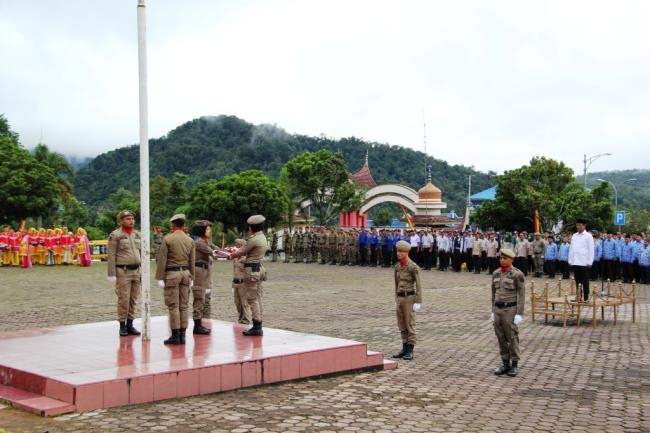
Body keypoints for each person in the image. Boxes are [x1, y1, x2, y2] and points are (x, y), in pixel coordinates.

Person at [155, 214, 196, 345]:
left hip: (172, 274)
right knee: (184, 306)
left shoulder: (168, 239)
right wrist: (192, 277)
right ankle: (183, 336)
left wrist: (159, 278)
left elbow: (162, 260)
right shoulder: (190, 240)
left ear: (173, 225)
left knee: (173, 306)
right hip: (185, 274)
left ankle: (175, 335)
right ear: (184, 225)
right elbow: (192, 261)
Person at [230, 214, 268, 336]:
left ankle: (257, 326)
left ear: (251, 227)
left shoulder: (254, 239)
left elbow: (242, 251)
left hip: (252, 271)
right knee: (256, 298)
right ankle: (258, 324)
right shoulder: (262, 237)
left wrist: (230, 254)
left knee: (252, 299)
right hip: (258, 269)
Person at [107, 210, 142, 337]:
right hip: (123, 271)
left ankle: (130, 324)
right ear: (121, 221)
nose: (131, 221)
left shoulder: (137, 234)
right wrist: (111, 274)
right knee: (124, 299)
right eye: (127, 218)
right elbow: (111, 255)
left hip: (136, 270)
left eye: (132, 218)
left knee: (133, 299)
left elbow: (142, 253)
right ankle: (122, 325)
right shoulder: (115, 235)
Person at [491, 248, 525, 377]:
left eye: (504, 258)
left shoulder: (517, 274)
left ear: (511, 260)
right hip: (498, 309)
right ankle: (505, 363)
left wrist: (519, 314)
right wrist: (492, 310)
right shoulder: (496, 273)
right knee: (500, 337)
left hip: (510, 309)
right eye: (500, 258)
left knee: (511, 336)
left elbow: (522, 295)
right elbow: (493, 294)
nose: (502, 260)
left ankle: (514, 364)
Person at [391, 240, 422, 361]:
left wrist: (418, 301)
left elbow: (419, 285)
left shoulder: (413, 267)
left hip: (409, 298)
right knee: (401, 324)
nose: (398, 253)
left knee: (409, 324)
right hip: (400, 298)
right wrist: (396, 298)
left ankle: (410, 349)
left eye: (400, 252)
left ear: (406, 252)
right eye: (397, 251)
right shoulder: (397, 266)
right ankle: (404, 347)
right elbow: (396, 283)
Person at [190, 220, 216, 335]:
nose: (209, 231)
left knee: (203, 298)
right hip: (198, 271)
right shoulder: (199, 242)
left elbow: (216, 248)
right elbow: (214, 252)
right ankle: (197, 325)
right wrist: (230, 253)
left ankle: (201, 323)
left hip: (204, 271)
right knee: (199, 297)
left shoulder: (205, 241)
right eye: (208, 229)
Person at [569, 218, 594, 301]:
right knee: (577, 281)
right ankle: (579, 296)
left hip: (584, 262)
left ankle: (586, 297)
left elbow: (591, 249)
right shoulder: (574, 235)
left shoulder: (588, 236)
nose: (578, 227)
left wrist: (590, 261)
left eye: (580, 225)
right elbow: (572, 249)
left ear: (584, 226)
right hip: (576, 261)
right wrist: (570, 260)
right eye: (577, 225)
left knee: (585, 280)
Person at [231, 238, 252, 324]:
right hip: (235, 283)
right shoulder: (235, 258)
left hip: (243, 283)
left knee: (244, 303)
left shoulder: (246, 259)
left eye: (238, 245)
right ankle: (241, 319)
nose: (235, 247)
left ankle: (246, 321)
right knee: (237, 303)